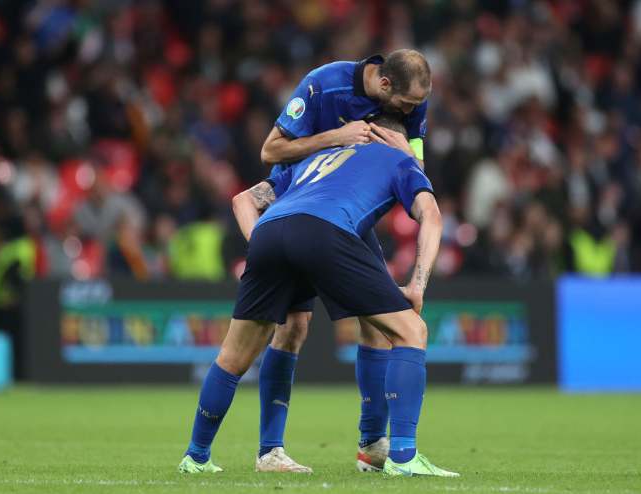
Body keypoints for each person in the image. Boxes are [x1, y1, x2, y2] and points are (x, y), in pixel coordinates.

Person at [178, 116, 458, 477]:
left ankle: (196, 456)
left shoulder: (315, 161)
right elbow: (432, 217)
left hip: (269, 230)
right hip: (325, 230)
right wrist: (417, 284)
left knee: (233, 356)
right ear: (394, 138)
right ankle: (403, 457)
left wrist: (266, 247)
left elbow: (242, 200)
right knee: (411, 331)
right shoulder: (398, 158)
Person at [252, 49, 432, 473]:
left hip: (349, 214)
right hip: (301, 201)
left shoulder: (413, 100)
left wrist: (404, 148)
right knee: (294, 326)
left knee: (378, 322)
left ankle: (372, 446)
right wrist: (335, 138)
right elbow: (270, 151)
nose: (412, 112)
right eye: (406, 106)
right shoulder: (324, 84)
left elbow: (416, 164)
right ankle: (269, 449)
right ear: (384, 85)